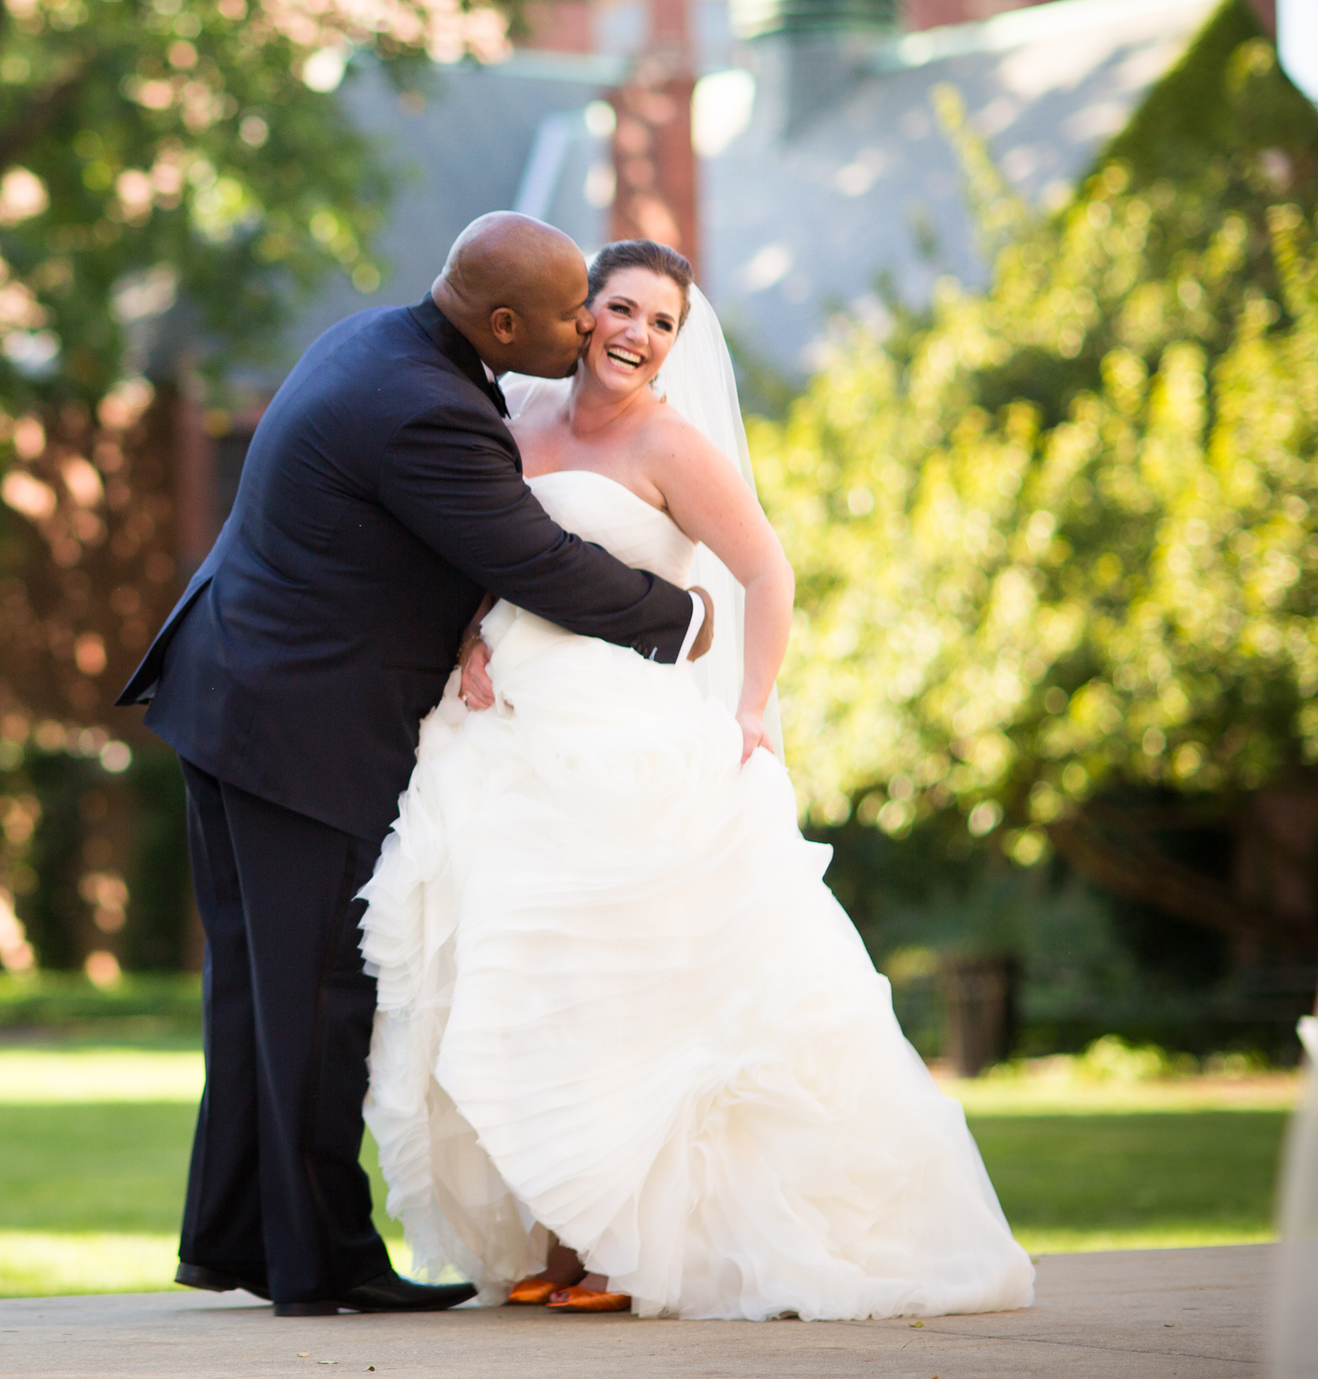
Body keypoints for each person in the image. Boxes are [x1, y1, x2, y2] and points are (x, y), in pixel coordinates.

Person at [358, 239, 1037, 1321]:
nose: (636, 334)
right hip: (497, 733)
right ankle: (548, 1238)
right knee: (509, 976)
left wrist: (753, 703)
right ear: (579, 315)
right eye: (619, 308)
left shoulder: (672, 442)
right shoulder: (513, 411)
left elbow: (768, 569)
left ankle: (621, 1245)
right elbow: (473, 547)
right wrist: (469, 641)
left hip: (617, 730)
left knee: (609, 982)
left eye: (661, 322)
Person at [115, 214, 715, 1317]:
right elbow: (528, 557)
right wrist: (677, 615)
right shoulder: (427, 407)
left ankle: (241, 1236)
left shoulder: (375, 340)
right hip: (298, 729)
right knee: (315, 995)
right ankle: (321, 1262)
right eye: (569, 311)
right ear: (499, 323)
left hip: (234, 695)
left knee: (258, 988)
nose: (589, 325)